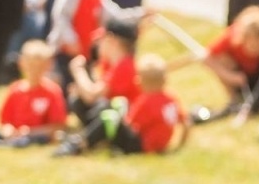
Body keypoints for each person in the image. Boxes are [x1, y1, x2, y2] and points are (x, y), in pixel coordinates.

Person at [56, 54, 187, 156]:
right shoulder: (171, 99)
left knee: (110, 117)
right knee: (118, 106)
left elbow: (131, 123)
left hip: (141, 146)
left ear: (140, 81)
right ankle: (86, 138)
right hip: (159, 145)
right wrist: (179, 144)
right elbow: (186, 123)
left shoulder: (146, 101)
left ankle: (80, 144)